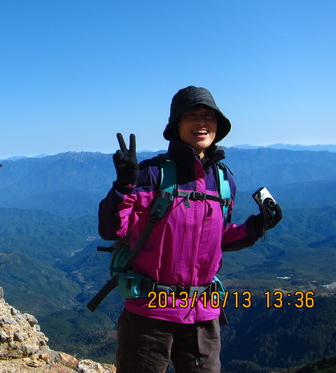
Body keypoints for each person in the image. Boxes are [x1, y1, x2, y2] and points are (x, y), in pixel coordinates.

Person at [98, 86, 282, 373]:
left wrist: (257, 226)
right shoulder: (150, 174)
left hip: (203, 315)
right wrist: (124, 186)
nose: (201, 122)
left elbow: (219, 237)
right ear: (176, 126)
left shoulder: (223, 181)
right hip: (150, 313)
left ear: (218, 126)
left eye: (208, 116)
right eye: (191, 115)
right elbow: (114, 229)